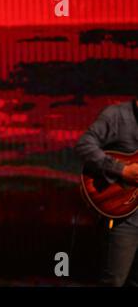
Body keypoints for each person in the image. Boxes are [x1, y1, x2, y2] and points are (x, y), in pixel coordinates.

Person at [75, 98, 138, 286]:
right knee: (114, 280)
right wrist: (122, 170)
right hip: (125, 215)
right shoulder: (116, 115)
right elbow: (84, 145)